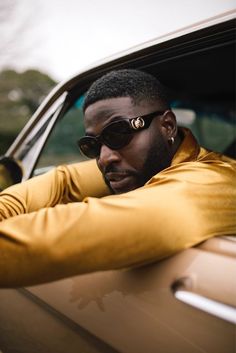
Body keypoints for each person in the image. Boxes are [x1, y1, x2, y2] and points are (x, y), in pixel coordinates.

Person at [0, 69, 235, 288]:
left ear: (167, 125)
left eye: (118, 133)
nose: (103, 159)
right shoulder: (142, 164)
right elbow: (64, 181)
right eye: (92, 145)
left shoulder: (210, 182)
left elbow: (58, 238)